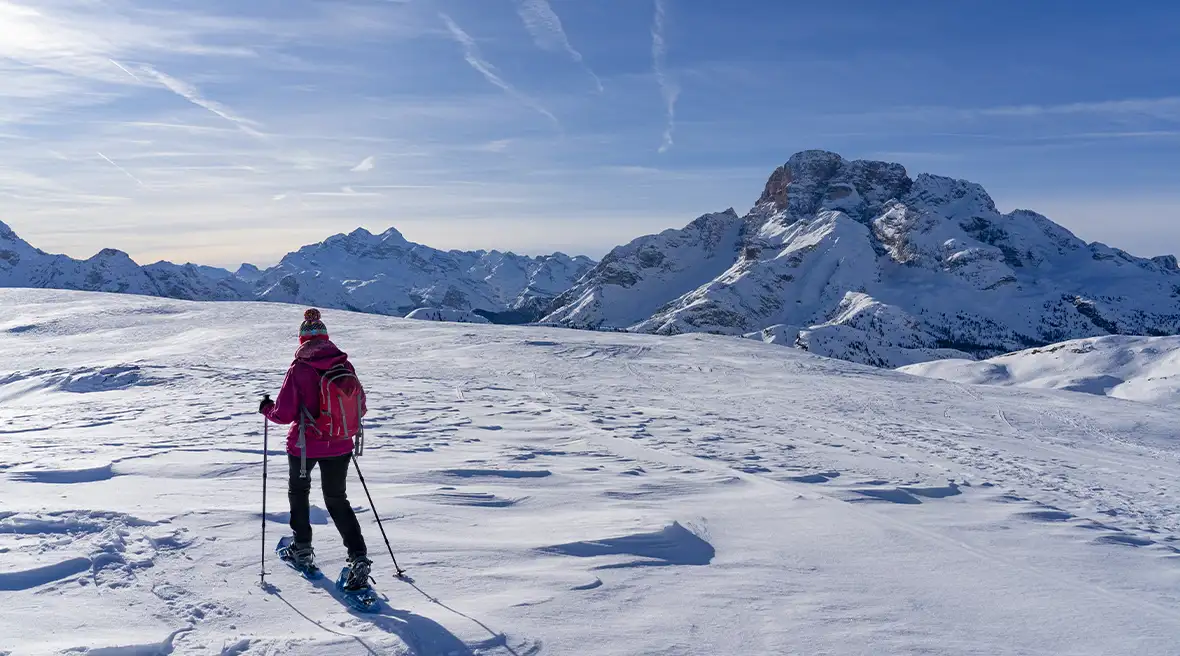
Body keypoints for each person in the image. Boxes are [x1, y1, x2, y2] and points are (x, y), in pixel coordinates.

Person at [259, 308, 372, 590]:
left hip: (304, 445)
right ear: (326, 337)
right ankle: (358, 558)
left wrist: (266, 409)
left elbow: (284, 414)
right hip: (340, 444)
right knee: (337, 499)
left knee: (299, 493)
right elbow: (361, 407)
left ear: (302, 341)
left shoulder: (299, 368)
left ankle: (302, 549)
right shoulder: (344, 365)